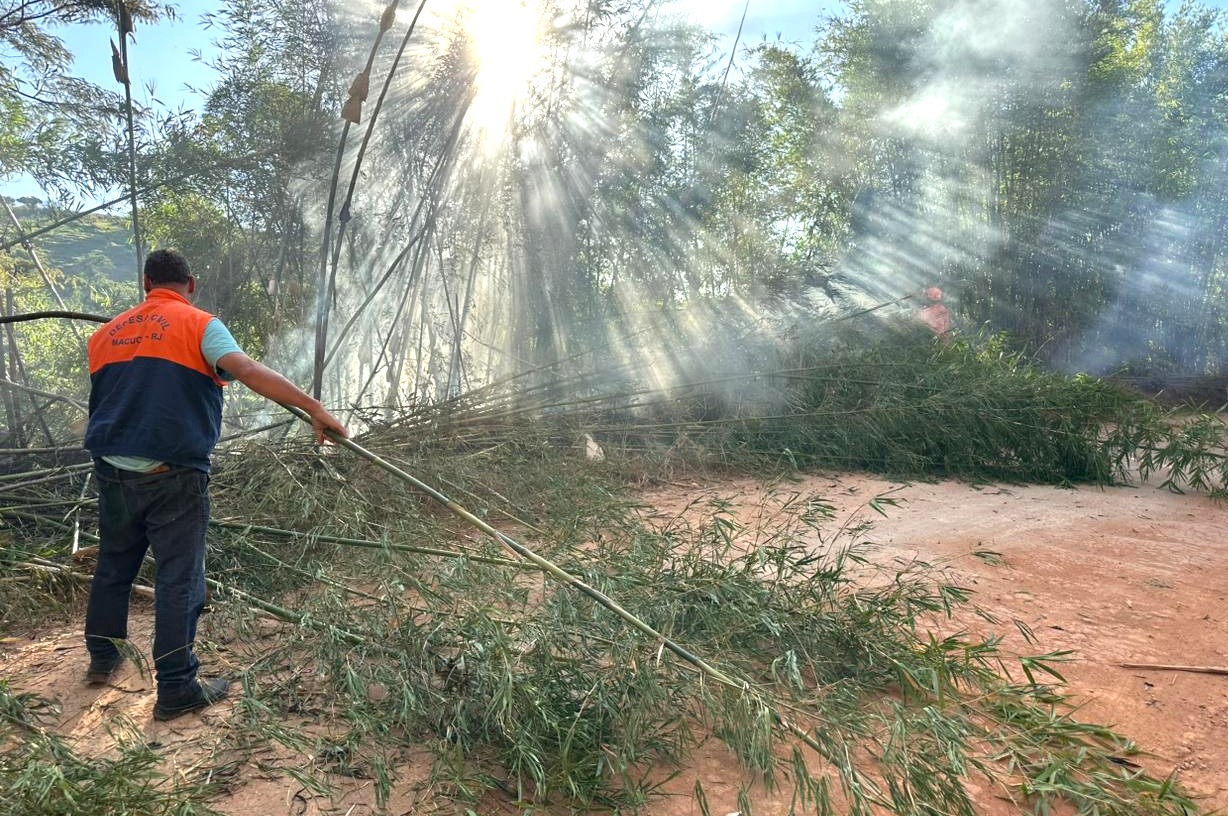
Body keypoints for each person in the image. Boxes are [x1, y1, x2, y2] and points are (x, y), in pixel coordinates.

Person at [83, 248, 348, 721]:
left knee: (114, 566)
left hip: (112, 468)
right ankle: (176, 687)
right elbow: (245, 370)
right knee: (179, 578)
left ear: (146, 283)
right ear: (191, 283)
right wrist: (313, 408)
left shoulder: (106, 334)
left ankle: (103, 658)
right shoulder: (200, 324)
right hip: (172, 473)